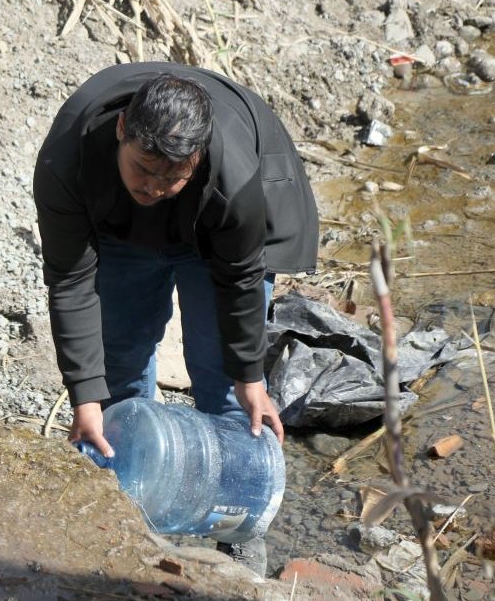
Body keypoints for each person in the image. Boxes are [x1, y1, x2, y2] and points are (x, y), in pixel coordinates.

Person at [33, 62, 319, 573]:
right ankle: (134, 509)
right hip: (116, 229)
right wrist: (85, 397)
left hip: (220, 238)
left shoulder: (233, 177)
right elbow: (72, 283)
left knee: (224, 382)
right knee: (118, 363)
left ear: (199, 157)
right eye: (142, 168)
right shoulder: (68, 158)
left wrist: (251, 377)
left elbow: (238, 281)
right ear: (122, 130)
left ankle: (237, 525)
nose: (155, 187)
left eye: (172, 176)